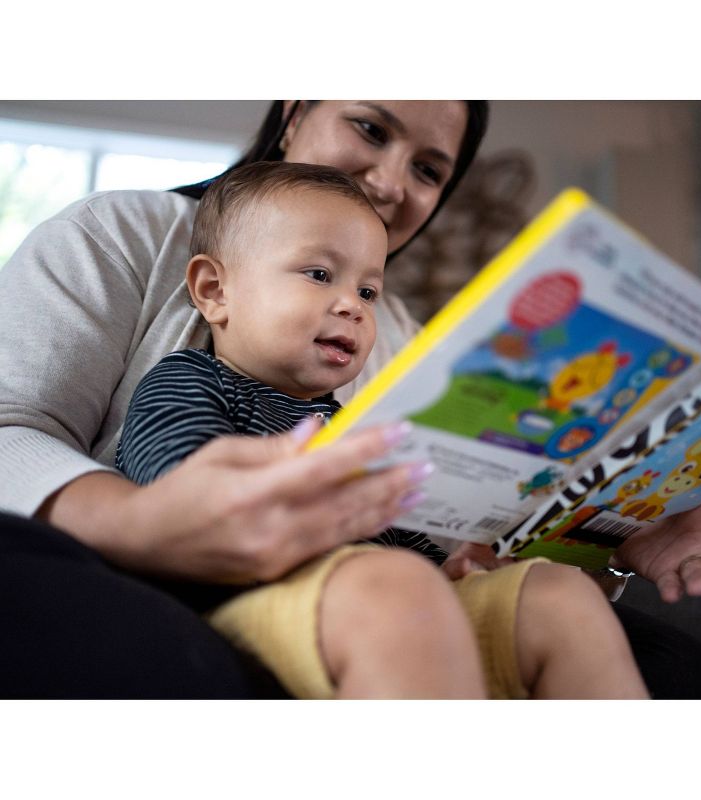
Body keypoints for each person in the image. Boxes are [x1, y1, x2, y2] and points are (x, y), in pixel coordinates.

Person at [0, 100, 701, 698]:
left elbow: (424, 522)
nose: (390, 181)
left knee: (646, 645)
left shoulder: (403, 344)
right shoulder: (141, 261)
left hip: (384, 581)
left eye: (428, 169)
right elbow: (115, 455)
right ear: (292, 113)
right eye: (372, 129)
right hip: (198, 581)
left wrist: (605, 527)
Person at [113, 159, 648, 699]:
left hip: (385, 598)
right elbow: (176, 495)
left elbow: (397, 527)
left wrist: (451, 566)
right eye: (319, 275)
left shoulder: (353, 422)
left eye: (369, 291)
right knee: (398, 586)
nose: (352, 306)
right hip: (242, 602)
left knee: (556, 595)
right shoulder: (190, 378)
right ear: (214, 291)